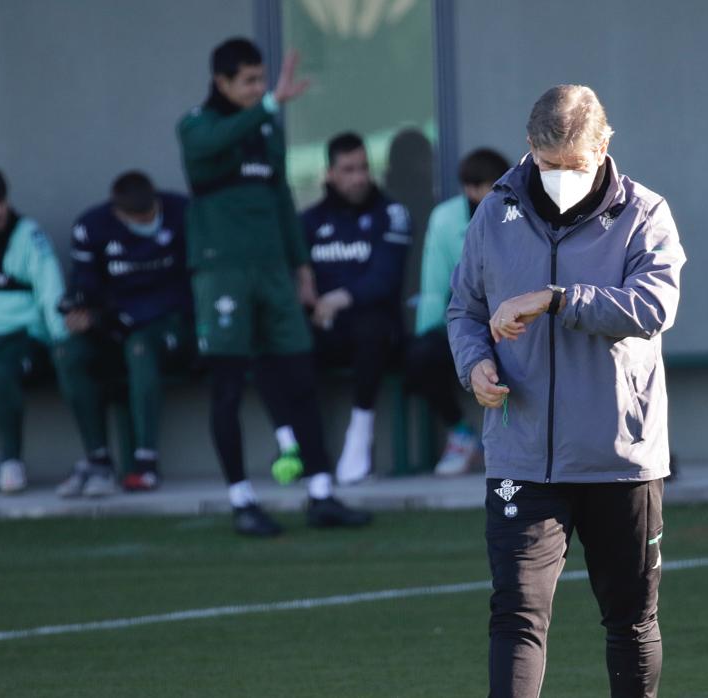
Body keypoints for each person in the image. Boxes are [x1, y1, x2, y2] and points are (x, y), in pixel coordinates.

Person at [448, 85, 685, 697]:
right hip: (522, 457)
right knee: (516, 617)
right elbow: (465, 310)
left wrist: (556, 299)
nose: (560, 177)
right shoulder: (493, 214)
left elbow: (653, 306)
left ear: (605, 146)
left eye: (574, 165)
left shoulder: (645, 212)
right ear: (529, 148)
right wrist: (475, 366)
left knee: (632, 620)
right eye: (549, 165)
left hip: (619, 458)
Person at [176, 37, 369, 536]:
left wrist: (301, 268)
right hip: (222, 273)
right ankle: (241, 499)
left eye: (262, 79)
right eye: (249, 81)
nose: (260, 89)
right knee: (227, 386)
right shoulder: (196, 125)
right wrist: (267, 105)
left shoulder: (264, 127)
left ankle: (321, 492)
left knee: (300, 375)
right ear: (222, 82)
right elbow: (209, 146)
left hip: (274, 275)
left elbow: (282, 199)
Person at [52, 172, 194, 495]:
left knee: (141, 347)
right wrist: (80, 310)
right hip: (112, 324)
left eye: (150, 214)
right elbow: (85, 283)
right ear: (118, 212)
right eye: (137, 218)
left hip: (168, 324)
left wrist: (117, 317)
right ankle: (98, 460)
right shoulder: (92, 225)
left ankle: (145, 463)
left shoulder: (181, 212)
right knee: (67, 353)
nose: (146, 222)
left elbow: (189, 285)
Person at [297, 132, 412, 484]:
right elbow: (299, 277)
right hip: (324, 325)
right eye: (348, 169)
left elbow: (385, 279)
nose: (359, 177)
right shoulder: (309, 221)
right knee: (289, 341)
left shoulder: (392, 213)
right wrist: (309, 295)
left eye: (363, 168)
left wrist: (337, 298)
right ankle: (300, 449)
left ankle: (360, 436)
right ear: (329, 173)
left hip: (377, 331)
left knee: (371, 327)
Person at [0, 166, 68, 494]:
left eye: (0, 201)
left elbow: (51, 290)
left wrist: (60, 340)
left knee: (1, 372)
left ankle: (11, 462)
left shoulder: (27, 235)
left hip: (19, 338)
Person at [411, 147, 509, 476]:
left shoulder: (518, 211)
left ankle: (518, 443)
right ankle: (462, 434)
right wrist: (432, 334)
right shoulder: (445, 219)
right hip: (467, 323)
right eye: (488, 187)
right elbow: (434, 285)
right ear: (470, 189)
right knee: (422, 355)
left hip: (514, 323)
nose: (498, 193)